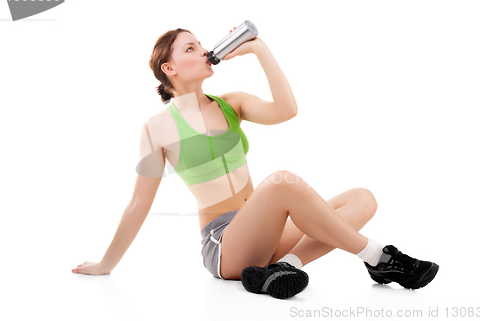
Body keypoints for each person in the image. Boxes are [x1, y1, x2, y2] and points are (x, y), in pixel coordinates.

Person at [71, 27, 439, 299]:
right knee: (280, 182)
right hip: (224, 243)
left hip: (266, 235)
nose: (203, 51)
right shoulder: (157, 128)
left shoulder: (232, 103)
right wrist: (106, 264)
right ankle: (381, 257)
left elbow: (287, 110)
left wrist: (260, 50)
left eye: (201, 44)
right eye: (191, 48)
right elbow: (138, 203)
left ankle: (284, 269)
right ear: (170, 68)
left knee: (362, 198)